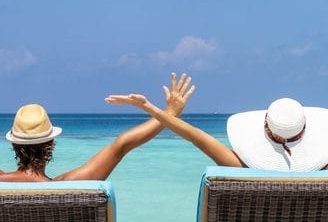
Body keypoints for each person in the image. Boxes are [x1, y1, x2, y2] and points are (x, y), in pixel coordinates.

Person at [106, 75, 328, 172]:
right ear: (307, 132)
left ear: (263, 131)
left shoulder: (242, 169)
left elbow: (195, 137)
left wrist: (154, 108)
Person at [0, 73, 195, 182]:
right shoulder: (66, 187)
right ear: (51, 143)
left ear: (14, 145)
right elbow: (122, 145)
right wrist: (169, 114)